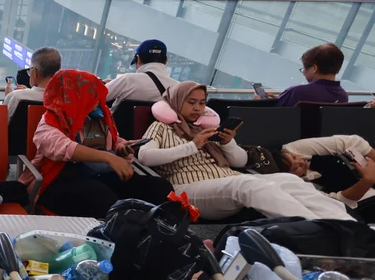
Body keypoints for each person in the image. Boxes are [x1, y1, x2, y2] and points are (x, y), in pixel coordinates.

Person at [137, 81, 352, 221]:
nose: (197, 108)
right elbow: (145, 156)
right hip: (188, 188)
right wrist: (192, 146)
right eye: (191, 103)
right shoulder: (161, 126)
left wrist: (228, 142)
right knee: (246, 184)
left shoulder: (205, 127)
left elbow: (239, 162)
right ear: (175, 102)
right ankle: (315, 227)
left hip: (227, 180)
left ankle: (346, 225)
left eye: (202, 103)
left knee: (291, 181)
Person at [26, 70, 173, 218]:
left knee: (159, 188)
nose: (98, 100)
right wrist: (108, 158)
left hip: (101, 175)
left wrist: (121, 147)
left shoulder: (100, 117)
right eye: (91, 95)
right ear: (74, 96)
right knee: (102, 197)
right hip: (60, 179)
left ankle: (162, 231)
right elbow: (63, 147)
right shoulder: (52, 120)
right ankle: (122, 232)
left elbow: (112, 140)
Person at [278, 134, 375, 219]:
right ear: (289, 176)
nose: (301, 161)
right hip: (353, 204)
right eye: (296, 168)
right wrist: (367, 180)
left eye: (295, 157)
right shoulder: (295, 188)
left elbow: (353, 142)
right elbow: (337, 202)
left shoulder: (292, 150)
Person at [105, 39, 178, 111]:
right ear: (166, 61)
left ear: (138, 59)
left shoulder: (128, 80)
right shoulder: (178, 88)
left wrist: (103, 84)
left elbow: (95, 96)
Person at [270, 43, 349, 107]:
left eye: (305, 68)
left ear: (314, 68)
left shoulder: (296, 92)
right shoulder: (343, 96)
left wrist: (260, 101)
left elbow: (273, 115)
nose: (304, 72)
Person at [3, 47, 61, 120]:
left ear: (35, 72)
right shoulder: (65, 99)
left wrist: (8, 97)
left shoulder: (16, 97)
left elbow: (2, 125)